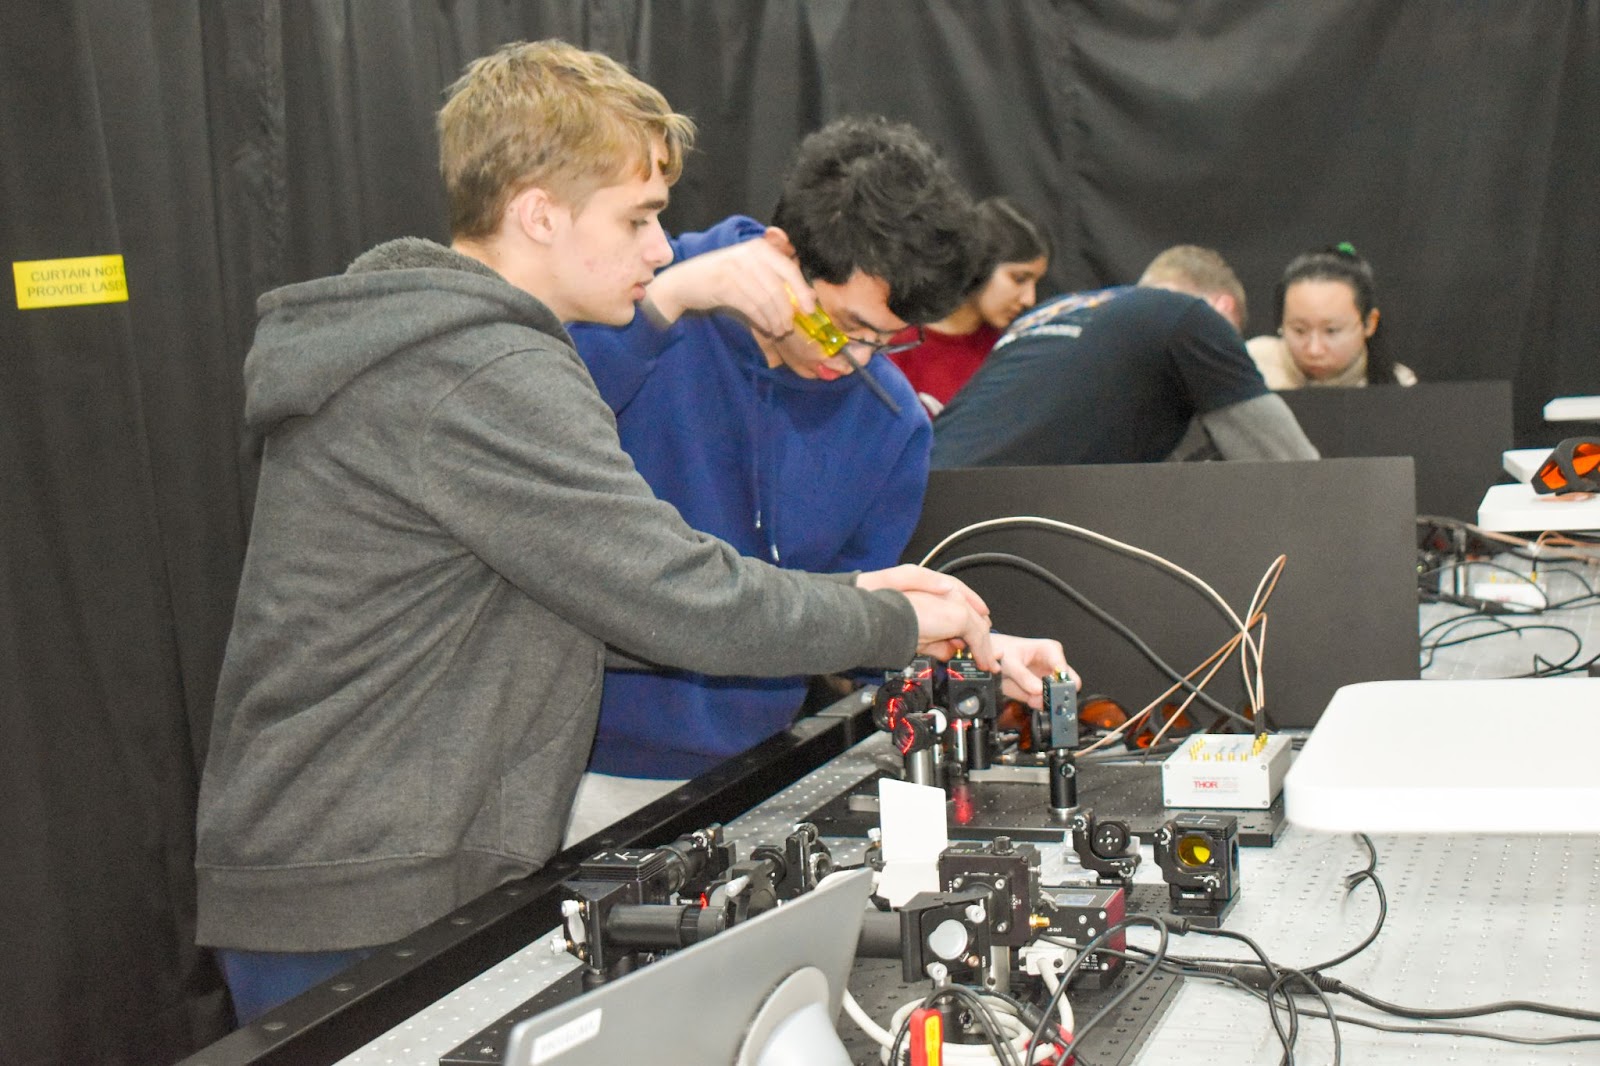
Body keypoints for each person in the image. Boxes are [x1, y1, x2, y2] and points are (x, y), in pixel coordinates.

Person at [193, 41, 1001, 1025]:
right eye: (638, 218)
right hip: (360, 879)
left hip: (378, 866)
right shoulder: (481, 372)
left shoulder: (466, 351)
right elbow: (670, 596)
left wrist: (872, 602)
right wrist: (883, 619)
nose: (663, 249)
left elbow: (600, 604)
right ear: (539, 212)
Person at [564, 119, 1069, 843]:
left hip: (747, 778)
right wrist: (663, 306)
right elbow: (516, 429)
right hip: (568, 768)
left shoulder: (892, 424)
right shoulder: (634, 294)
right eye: (844, 328)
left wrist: (972, 649)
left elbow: (843, 623)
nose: (858, 361)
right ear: (779, 256)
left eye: (890, 340)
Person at [930, 245, 1320, 467]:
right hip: (999, 512)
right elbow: (1293, 469)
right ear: (1222, 307)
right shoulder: (1195, 317)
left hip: (918, 490)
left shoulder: (1051, 310)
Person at [884, 197, 1052, 416]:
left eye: (1036, 283)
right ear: (980, 263)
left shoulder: (1008, 353)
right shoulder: (895, 340)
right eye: (1019, 279)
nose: (1029, 299)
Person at [1247, 243, 1417, 388]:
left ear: (1369, 324)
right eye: (1299, 330)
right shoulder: (1250, 367)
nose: (1314, 350)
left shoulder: (1399, 388)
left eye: (1331, 331)